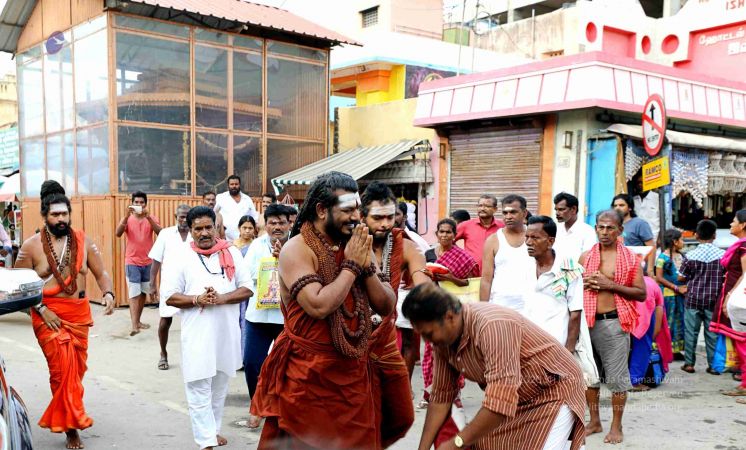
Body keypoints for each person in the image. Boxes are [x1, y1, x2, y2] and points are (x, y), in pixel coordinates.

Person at [250, 171, 397, 449]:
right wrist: (352, 266)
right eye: (347, 210)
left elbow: (386, 304)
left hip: (351, 374)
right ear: (321, 210)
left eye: (358, 209)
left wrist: (365, 267)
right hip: (306, 376)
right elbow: (318, 306)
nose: (356, 217)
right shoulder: (297, 249)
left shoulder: (355, 245)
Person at [403, 283, 586, 450]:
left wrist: (457, 442)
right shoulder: (443, 341)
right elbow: (441, 398)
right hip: (517, 400)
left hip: (555, 390)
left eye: (429, 334)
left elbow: (500, 403)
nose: (427, 341)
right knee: (484, 444)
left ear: (449, 317)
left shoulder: (492, 325)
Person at [15, 180, 116, 450]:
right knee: (61, 371)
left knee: (75, 373)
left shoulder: (84, 241)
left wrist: (108, 293)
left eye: (64, 214)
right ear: (45, 216)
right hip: (47, 316)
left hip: (78, 315)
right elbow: (20, 286)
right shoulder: (30, 247)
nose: (61, 219)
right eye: (55, 214)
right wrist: (41, 309)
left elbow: (101, 273)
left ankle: (70, 414)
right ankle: (71, 429)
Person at [162, 206, 253, 450]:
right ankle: (205, 442)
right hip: (197, 335)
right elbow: (169, 296)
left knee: (219, 387)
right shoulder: (179, 256)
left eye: (208, 227)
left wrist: (222, 298)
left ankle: (212, 431)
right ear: (190, 230)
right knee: (198, 387)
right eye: (198, 229)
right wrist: (197, 299)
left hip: (225, 333)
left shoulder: (231, 252)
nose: (204, 233)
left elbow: (247, 288)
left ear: (216, 227)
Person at [361, 181, 430, 448]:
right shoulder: (348, 243)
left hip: (385, 339)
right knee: (358, 415)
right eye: (377, 218)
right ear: (362, 216)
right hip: (349, 338)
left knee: (402, 414)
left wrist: (427, 299)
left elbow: (421, 279)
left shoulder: (406, 246)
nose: (385, 224)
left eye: (390, 217)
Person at [580, 209, 647, 444]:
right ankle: (594, 421)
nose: (605, 232)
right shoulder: (585, 257)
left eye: (610, 228)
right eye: (601, 227)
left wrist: (610, 285)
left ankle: (616, 426)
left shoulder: (630, 259)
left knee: (617, 380)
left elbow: (641, 293)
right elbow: (572, 287)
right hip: (586, 323)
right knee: (590, 377)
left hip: (614, 324)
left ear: (620, 230)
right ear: (595, 228)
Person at [420, 218, 478, 426]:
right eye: (441, 232)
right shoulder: (429, 254)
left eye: (448, 232)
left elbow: (470, 282)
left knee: (453, 350)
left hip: (452, 309)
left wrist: (449, 278)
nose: (444, 235)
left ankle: (455, 393)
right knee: (430, 351)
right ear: (436, 234)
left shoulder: (463, 257)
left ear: (455, 235)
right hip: (431, 307)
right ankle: (429, 392)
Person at [242, 204, 291, 429]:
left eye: (282, 222)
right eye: (272, 223)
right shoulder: (256, 245)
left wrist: (284, 260)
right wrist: (270, 264)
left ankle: (281, 408)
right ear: (266, 225)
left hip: (286, 318)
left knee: (286, 366)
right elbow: (246, 274)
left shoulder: (297, 245)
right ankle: (257, 405)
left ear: (289, 224)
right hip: (258, 316)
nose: (277, 227)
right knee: (252, 362)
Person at [149, 204, 192, 371]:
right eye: (181, 216)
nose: (184, 219)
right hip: (170, 284)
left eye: (187, 216)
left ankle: (190, 356)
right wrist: (152, 284)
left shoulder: (196, 234)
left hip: (191, 285)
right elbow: (156, 260)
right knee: (165, 321)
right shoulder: (165, 234)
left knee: (191, 322)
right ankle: (163, 353)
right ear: (176, 217)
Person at [678, 219, 724, 374]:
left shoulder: (690, 255)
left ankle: (689, 364)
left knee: (691, 332)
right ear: (714, 235)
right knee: (712, 333)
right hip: (714, 300)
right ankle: (713, 365)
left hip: (693, 299)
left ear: (696, 235)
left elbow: (681, 277)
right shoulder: (723, 255)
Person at [115, 191, 162, 336]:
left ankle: (138, 321)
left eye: (142, 202)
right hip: (132, 261)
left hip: (148, 261)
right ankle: (134, 325)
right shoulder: (127, 218)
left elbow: (160, 233)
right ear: (132, 203)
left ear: (146, 204)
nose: (139, 205)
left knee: (143, 293)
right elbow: (118, 233)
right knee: (134, 293)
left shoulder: (151, 217)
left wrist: (148, 217)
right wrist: (125, 216)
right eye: (136, 202)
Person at [710, 209, 746, 398]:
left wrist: (730, 296)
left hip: (739, 300)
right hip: (734, 297)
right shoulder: (739, 245)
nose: (731, 224)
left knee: (742, 341)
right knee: (740, 341)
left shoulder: (744, 247)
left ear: (743, 225)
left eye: (734, 221)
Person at [479, 194, 533, 309]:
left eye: (513, 212)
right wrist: (483, 310)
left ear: (524, 213)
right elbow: (486, 280)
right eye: (505, 213)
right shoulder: (493, 240)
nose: (508, 217)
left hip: (531, 305)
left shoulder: (534, 237)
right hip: (500, 305)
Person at [629, 276, 666, 391]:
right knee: (642, 348)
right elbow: (659, 314)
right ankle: (634, 382)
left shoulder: (625, 279)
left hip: (619, 316)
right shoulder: (653, 285)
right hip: (643, 320)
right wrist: (652, 337)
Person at [655, 229, 687, 359]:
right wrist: (676, 287)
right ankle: (665, 349)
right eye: (681, 239)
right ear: (675, 241)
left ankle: (675, 350)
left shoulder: (682, 256)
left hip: (680, 295)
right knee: (668, 321)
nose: (683, 242)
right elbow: (659, 277)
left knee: (679, 322)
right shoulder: (662, 258)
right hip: (668, 295)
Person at [455, 194, 504, 269]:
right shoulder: (466, 225)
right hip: (471, 272)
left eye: (487, 206)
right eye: (480, 205)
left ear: (495, 209)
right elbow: (448, 240)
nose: (482, 209)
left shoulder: (502, 227)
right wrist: (459, 255)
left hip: (497, 272)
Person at [612, 193, 655, 276]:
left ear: (630, 208)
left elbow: (651, 247)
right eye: (615, 206)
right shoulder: (612, 225)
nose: (617, 208)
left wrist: (650, 270)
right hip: (618, 271)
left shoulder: (640, 224)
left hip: (637, 271)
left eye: (621, 205)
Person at [553, 192, 597, 261]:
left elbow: (588, 258)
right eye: (556, 210)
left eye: (561, 209)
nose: (557, 213)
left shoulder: (587, 231)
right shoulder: (555, 229)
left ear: (573, 209)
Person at [215, 175, 258, 241]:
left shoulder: (247, 199)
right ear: (228, 185)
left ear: (239, 185)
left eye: (236, 184)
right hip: (225, 238)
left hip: (244, 238)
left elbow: (254, 217)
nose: (234, 186)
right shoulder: (221, 197)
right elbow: (215, 213)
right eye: (232, 184)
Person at [633, 172, 660, 240]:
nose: (640, 185)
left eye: (642, 182)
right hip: (638, 238)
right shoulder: (634, 200)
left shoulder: (657, 198)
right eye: (638, 183)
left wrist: (660, 237)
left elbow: (663, 219)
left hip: (654, 237)